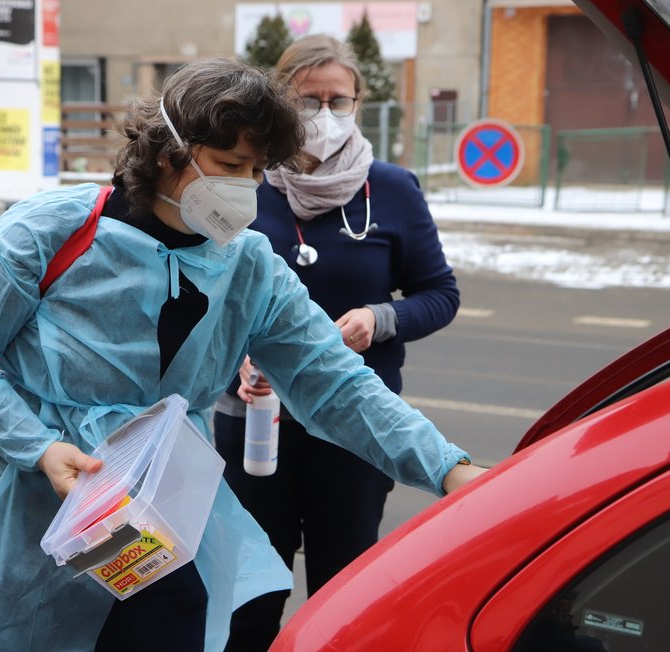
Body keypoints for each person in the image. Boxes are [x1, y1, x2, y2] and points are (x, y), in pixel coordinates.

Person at [0, 56, 484, 652]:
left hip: (151, 521)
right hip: (26, 516)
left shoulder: (250, 266)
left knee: (169, 623)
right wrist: (39, 449)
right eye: (229, 165)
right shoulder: (49, 231)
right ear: (169, 152)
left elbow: (336, 382)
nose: (247, 188)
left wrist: (449, 468)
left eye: (259, 170)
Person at [212, 35, 461, 650]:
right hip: (255, 425)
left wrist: (379, 320)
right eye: (308, 100)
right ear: (279, 101)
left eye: (339, 100)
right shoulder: (242, 182)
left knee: (343, 592)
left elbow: (439, 293)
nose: (324, 115)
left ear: (358, 103)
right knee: (249, 595)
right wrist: (233, 362)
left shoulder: (392, 189)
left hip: (356, 427)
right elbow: (205, 300)